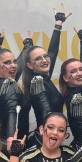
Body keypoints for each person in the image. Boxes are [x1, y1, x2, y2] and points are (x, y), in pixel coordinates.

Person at [21, 7, 71, 137]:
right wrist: (53, 133)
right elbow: (46, 111)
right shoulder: (37, 82)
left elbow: (53, 52)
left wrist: (58, 25)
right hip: (47, 138)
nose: (44, 60)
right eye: (38, 59)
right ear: (30, 65)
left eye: (45, 56)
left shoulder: (44, 78)